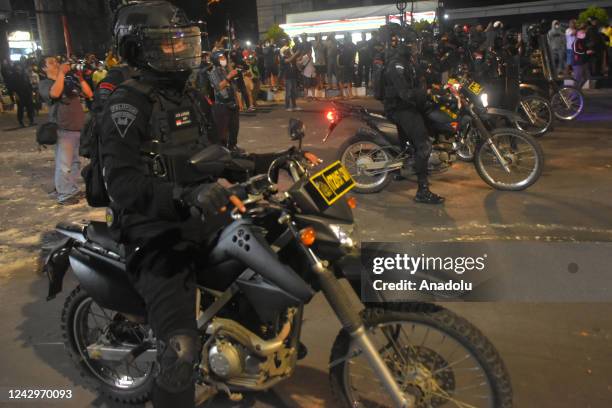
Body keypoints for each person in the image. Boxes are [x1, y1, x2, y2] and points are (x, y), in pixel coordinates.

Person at [100, 3, 297, 407]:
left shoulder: (190, 96)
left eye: (181, 41)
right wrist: (183, 195)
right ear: (138, 50)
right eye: (168, 43)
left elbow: (222, 153)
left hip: (202, 215)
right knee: (180, 346)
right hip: (153, 232)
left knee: (275, 248)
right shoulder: (126, 105)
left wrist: (273, 160)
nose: (179, 50)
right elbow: (121, 184)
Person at [383, 30, 444, 204]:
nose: (416, 47)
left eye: (416, 43)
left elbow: (421, 78)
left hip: (410, 105)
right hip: (400, 108)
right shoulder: (397, 65)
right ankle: (422, 191)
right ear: (405, 45)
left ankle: (401, 168)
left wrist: (439, 87)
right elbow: (405, 94)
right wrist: (427, 93)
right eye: (413, 44)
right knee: (423, 145)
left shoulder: (409, 61)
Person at [39, 55, 93, 205]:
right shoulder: (45, 83)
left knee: (75, 163)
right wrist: (61, 73)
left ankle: (71, 189)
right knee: (65, 164)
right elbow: (54, 94)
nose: (56, 64)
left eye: (56, 61)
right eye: (51, 63)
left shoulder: (69, 81)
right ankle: (64, 194)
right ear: (44, 69)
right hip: (62, 128)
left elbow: (89, 94)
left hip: (77, 127)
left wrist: (80, 78)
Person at [208, 51, 241, 148]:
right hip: (222, 105)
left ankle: (233, 146)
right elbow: (219, 87)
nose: (224, 60)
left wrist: (238, 101)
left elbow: (233, 87)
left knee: (235, 127)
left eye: (224, 58)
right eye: (221, 58)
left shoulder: (225, 70)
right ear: (215, 60)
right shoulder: (213, 72)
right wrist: (229, 76)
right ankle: (223, 149)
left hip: (233, 103)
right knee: (223, 130)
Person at [5, 62, 36, 127]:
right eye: (17, 66)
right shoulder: (12, 76)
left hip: (27, 93)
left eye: (20, 66)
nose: (19, 67)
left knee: (30, 107)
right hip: (19, 93)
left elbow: (28, 83)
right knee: (21, 108)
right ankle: (20, 121)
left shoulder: (24, 74)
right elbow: (11, 86)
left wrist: (31, 91)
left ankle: (31, 120)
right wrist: (14, 94)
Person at [281, 46, 300, 111]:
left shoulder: (292, 57)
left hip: (293, 76)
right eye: (287, 50)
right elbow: (289, 60)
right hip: (287, 77)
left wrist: (300, 54)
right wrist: (295, 54)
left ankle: (294, 106)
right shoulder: (283, 58)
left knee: (293, 92)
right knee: (288, 93)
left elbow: (298, 59)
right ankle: (287, 107)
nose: (289, 51)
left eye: (289, 50)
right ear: (284, 52)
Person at [337, 33, 356, 98]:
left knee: (345, 80)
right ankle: (345, 94)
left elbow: (353, 56)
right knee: (344, 80)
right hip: (345, 65)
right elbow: (338, 56)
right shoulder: (345, 46)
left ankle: (346, 94)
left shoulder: (349, 46)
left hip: (346, 65)